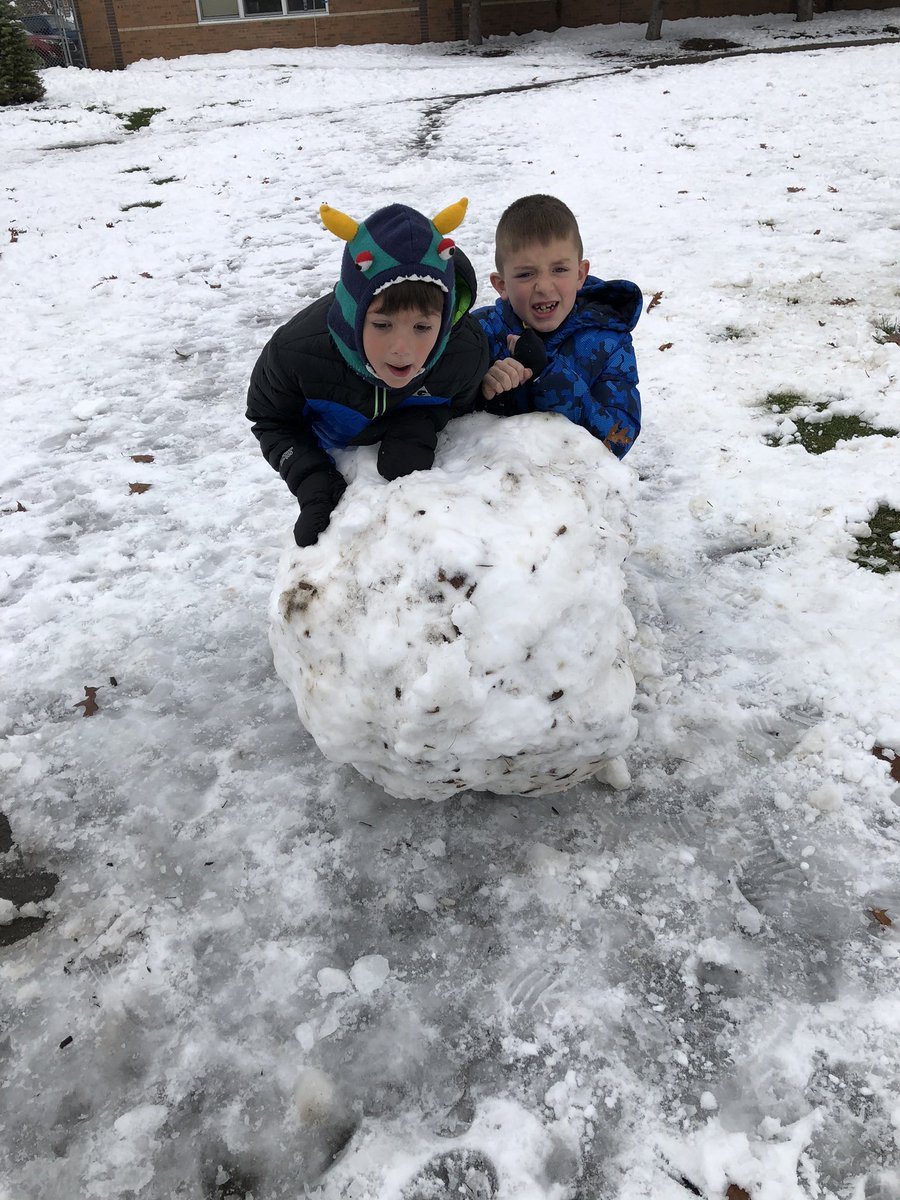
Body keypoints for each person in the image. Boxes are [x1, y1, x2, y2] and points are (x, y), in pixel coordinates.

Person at [247, 199, 489, 546]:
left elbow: (460, 406)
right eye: (382, 324)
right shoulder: (295, 354)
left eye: (422, 326)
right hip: (332, 449)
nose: (402, 348)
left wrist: (421, 421)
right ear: (353, 312)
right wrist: (311, 479)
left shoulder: (463, 353)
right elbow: (270, 419)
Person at [474, 194, 642, 459]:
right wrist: (479, 388)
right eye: (526, 274)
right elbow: (443, 416)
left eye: (559, 270)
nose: (543, 286)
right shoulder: (480, 333)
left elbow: (617, 440)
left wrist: (549, 375)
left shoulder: (608, 342)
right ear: (501, 284)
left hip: (574, 491)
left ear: (580, 274)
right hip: (496, 489)